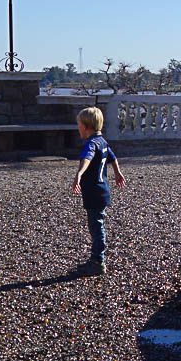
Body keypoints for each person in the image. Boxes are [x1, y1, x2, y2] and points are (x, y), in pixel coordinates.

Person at [72, 106, 125, 275]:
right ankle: (95, 258)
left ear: (86, 127)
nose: (78, 128)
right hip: (102, 191)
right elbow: (112, 157)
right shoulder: (102, 141)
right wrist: (117, 173)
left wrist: (79, 174)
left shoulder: (92, 143)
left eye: (79, 125)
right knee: (97, 224)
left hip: (94, 192)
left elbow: (87, 158)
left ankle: (97, 261)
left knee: (96, 227)